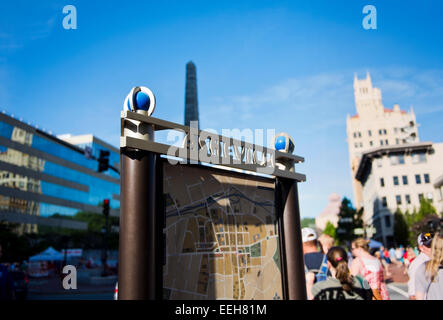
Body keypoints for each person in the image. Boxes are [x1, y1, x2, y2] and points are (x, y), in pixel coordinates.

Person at [415, 233, 443, 300]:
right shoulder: (421, 266)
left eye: (431, 246)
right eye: (428, 246)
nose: (429, 248)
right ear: (421, 247)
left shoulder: (424, 268)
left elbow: (419, 297)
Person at [407, 232, 432, 300]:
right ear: (421, 248)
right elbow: (413, 294)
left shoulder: (435, 260)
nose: (432, 247)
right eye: (429, 245)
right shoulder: (418, 264)